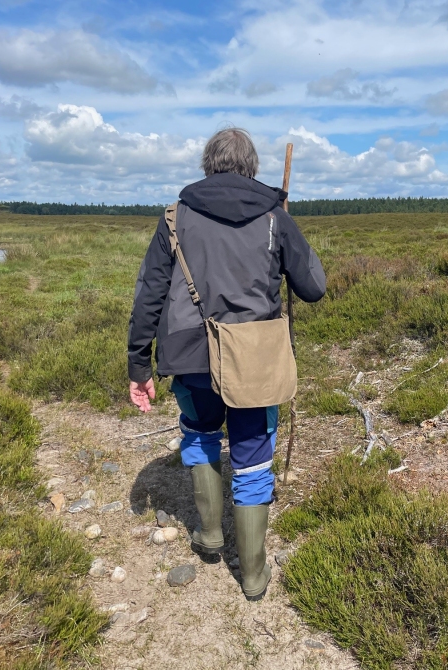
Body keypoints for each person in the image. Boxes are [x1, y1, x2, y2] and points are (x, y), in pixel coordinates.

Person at [127, 128, 326, 601]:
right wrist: (286, 239)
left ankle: (211, 535)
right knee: (253, 455)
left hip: (189, 355)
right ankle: (254, 576)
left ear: (207, 164)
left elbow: (148, 297)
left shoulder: (174, 218)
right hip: (254, 358)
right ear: (252, 166)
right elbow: (314, 286)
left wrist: (139, 366)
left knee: (199, 434)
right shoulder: (275, 217)